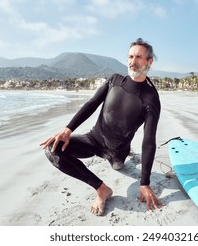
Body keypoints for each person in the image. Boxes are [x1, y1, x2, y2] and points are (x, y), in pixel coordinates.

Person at [40, 38, 163, 216]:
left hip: (117, 152)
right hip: (93, 140)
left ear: (149, 61)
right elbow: (91, 104)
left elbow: (149, 141)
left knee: (117, 166)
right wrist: (67, 130)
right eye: (130, 56)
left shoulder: (150, 98)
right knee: (53, 149)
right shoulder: (114, 80)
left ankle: (118, 157)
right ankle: (101, 189)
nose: (132, 62)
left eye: (138, 57)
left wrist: (144, 183)